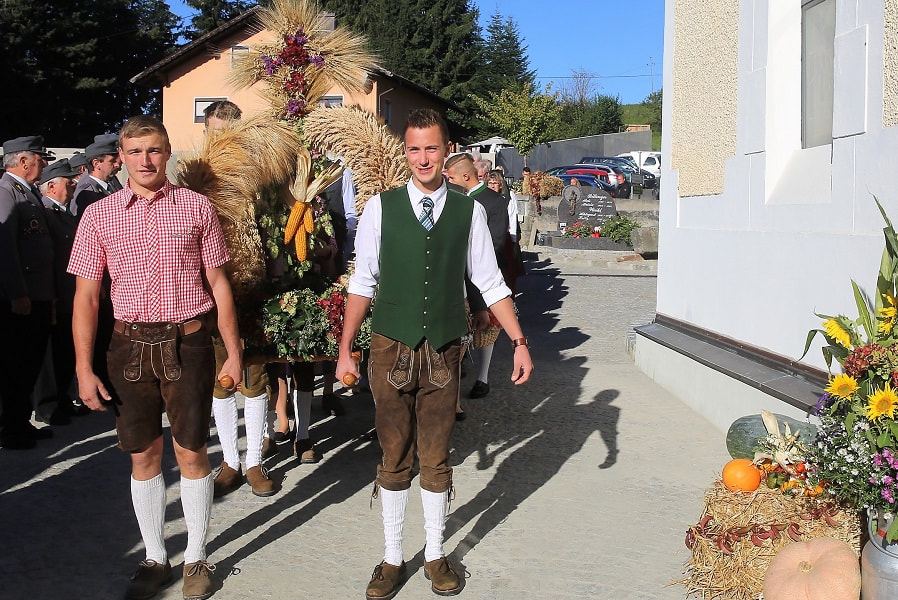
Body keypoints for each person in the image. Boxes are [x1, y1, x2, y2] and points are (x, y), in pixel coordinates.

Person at [336, 108, 533, 600]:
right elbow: (362, 280)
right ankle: (391, 557)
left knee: (437, 454)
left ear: (447, 152)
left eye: (431, 148)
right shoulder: (381, 208)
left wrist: (519, 341)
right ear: (405, 152)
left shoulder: (468, 212)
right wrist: (345, 349)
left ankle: (436, 554)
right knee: (393, 452)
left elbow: (490, 282)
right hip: (390, 346)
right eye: (414, 149)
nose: (423, 158)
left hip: (444, 349)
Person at [69, 115, 243, 600]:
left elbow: (219, 285)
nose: (145, 160)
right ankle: (154, 557)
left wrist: (233, 352)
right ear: (121, 157)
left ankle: (197, 557)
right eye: (135, 151)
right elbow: (86, 298)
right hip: (127, 346)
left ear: (167, 154)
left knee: (192, 450)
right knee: (143, 454)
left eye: (153, 150)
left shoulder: (196, 207)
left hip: (188, 342)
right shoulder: (98, 216)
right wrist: (83, 368)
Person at [200, 100, 277, 498]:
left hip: (253, 290)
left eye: (228, 131)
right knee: (221, 381)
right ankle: (229, 461)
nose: (221, 139)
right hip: (211, 291)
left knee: (255, 378)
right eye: (215, 131)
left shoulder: (258, 176)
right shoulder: (195, 175)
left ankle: (254, 463)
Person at [0, 135, 55, 449]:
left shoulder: (27, 191)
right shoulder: (6, 191)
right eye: (39, 158)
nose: (44, 164)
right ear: (23, 162)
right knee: (15, 364)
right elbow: (6, 248)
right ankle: (11, 428)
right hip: (21, 297)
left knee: (29, 362)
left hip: (37, 293)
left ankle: (20, 421)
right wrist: (17, 292)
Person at [445, 155, 508, 402]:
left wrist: (482, 271)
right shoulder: (453, 199)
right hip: (456, 277)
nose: (448, 182)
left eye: (451, 177)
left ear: (465, 176)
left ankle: (483, 377)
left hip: (480, 275)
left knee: (486, 329)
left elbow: (497, 242)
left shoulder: (494, 201)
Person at [39, 158, 91, 425]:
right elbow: (48, 259)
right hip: (58, 294)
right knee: (56, 353)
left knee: (67, 351)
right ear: (51, 187)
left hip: (70, 294)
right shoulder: (47, 213)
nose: (73, 185)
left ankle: (62, 400)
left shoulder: (63, 212)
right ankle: (51, 406)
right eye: (67, 182)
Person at [71, 137, 119, 216]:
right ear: (96, 164)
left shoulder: (108, 185)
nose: (117, 165)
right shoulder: (87, 192)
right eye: (112, 161)